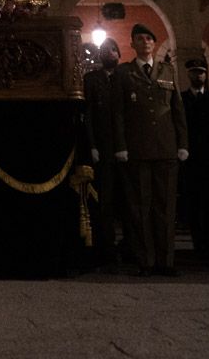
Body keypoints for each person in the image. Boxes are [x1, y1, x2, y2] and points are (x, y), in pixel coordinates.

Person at [112, 24, 189, 275]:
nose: (145, 42)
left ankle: (166, 261)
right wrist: (121, 146)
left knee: (165, 207)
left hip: (166, 148)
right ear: (132, 44)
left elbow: (177, 110)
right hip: (138, 149)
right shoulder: (124, 73)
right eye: (139, 39)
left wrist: (182, 144)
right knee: (140, 207)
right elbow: (119, 113)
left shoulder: (167, 70)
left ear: (154, 44)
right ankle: (146, 261)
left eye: (148, 38)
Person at [82, 39, 128, 265]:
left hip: (127, 149)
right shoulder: (91, 80)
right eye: (104, 51)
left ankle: (131, 248)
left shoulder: (127, 76)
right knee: (105, 203)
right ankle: (107, 251)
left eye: (112, 49)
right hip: (104, 148)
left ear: (119, 53)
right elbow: (88, 114)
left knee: (130, 202)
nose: (108, 53)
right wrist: (92, 145)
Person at [180, 56, 209, 258]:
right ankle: (198, 241)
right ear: (189, 74)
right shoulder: (182, 98)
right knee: (194, 200)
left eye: (201, 72)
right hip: (191, 157)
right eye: (195, 72)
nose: (198, 75)